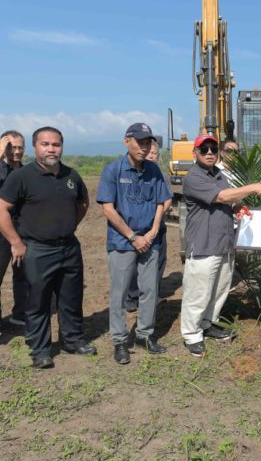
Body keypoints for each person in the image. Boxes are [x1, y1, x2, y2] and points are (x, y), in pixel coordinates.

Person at [0, 126, 96, 369]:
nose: (51, 149)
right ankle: (40, 350)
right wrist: (16, 243)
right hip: (37, 249)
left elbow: (83, 203)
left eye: (56, 144)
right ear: (35, 147)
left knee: (71, 298)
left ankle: (72, 340)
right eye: (45, 144)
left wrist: (68, 226)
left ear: (62, 147)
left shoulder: (71, 176)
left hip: (69, 247)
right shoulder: (22, 177)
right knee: (37, 302)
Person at [181, 134, 261, 357]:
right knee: (198, 292)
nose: (210, 153)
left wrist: (239, 207)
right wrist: (252, 188)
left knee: (219, 289)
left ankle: (207, 323)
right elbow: (221, 196)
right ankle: (192, 334)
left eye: (213, 148)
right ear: (195, 154)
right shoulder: (193, 177)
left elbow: (229, 200)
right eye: (204, 149)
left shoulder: (219, 175)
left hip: (224, 243)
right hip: (203, 245)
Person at [97, 124, 172, 364]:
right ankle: (120, 341)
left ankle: (145, 335)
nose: (144, 147)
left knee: (150, 290)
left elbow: (162, 202)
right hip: (122, 242)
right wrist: (132, 237)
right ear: (126, 141)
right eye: (140, 142)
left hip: (150, 241)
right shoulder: (113, 171)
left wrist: (152, 232)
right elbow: (108, 209)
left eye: (148, 143)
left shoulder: (154, 170)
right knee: (119, 294)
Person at [0, 130, 31, 340]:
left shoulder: (28, 171)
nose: (16, 152)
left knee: (22, 273)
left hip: (23, 226)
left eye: (20, 147)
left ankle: (20, 313)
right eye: (12, 147)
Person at [124, 139, 172, 312]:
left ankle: (153, 295)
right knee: (133, 263)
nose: (151, 156)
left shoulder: (161, 175)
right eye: (149, 152)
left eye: (154, 154)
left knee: (158, 261)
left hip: (157, 228)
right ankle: (132, 297)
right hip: (136, 229)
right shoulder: (130, 173)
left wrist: (155, 221)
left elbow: (167, 200)